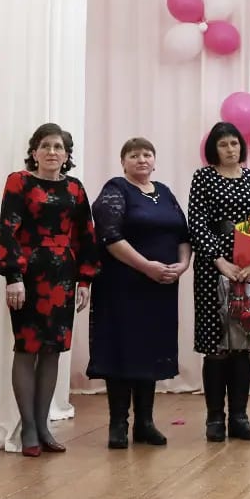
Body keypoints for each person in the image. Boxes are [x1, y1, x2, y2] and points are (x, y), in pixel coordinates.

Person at [0, 123, 99, 457]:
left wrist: (85, 281)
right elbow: (8, 229)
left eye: (58, 147)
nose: (52, 152)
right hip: (27, 276)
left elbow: (86, 235)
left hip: (63, 277)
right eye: (46, 146)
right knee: (27, 349)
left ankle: (42, 426)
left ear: (67, 155)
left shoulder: (75, 188)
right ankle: (28, 427)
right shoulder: (19, 182)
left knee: (53, 350)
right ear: (34, 152)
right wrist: (13, 276)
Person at [88, 137, 191, 449]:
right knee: (122, 350)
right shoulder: (116, 189)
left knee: (150, 349)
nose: (141, 159)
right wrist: (146, 266)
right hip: (123, 285)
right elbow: (109, 236)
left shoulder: (165, 192)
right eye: (134, 155)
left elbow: (183, 235)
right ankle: (118, 424)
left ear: (154, 161)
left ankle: (145, 423)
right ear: (123, 162)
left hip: (160, 286)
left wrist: (182, 265)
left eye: (147, 154)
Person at [187, 121, 250, 442]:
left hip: (248, 268)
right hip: (213, 268)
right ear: (214, 149)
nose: (229, 149)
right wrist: (219, 261)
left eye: (234, 143)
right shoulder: (203, 177)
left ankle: (239, 417)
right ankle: (214, 418)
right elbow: (196, 223)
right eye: (223, 144)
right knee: (215, 346)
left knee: (241, 343)